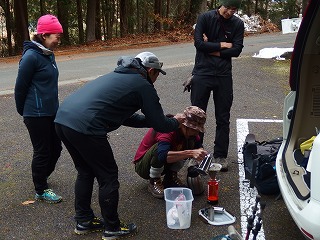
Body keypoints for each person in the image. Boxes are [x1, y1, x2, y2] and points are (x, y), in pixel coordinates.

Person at [54, 52, 185, 239]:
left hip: (63, 120)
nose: (156, 79)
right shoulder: (143, 85)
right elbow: (161, 125)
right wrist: (176, 122)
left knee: (85, 171)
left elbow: (126, 118)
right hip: (87, 127)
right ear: (150, 71)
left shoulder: (116, 76)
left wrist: (156, 121)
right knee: (108, 177)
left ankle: (84, 221)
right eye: (156, 74)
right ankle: (112, 228)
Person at [189, 0, 244, 171]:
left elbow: (237, 50)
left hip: (223, 75)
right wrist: (223, 45)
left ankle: (221, 155)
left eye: (234, 9)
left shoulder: (237, 23)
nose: (230, 12)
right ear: (222, 4)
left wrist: (211, 48)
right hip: (202, 73)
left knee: (223, 117)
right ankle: (196, 153)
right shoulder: (205, 18)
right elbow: (198, 44)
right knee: (196, 116)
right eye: (228, 8)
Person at [14, 14, 64, 204]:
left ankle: (41, 177)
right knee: (43, 151)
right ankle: (41, 189)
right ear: (44, 35)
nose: (58, 40)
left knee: (56, 148)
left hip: (51, 111)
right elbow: (20, 88)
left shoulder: (48, 54)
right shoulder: (30, 57)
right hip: (35, 114)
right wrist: (25, 111)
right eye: (56, 36)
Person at [134, 106, 208, 199]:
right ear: (184, 125)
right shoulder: (168, 128)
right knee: (159, 148)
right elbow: (162, 156)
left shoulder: (192, 135)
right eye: (194, 129)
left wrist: (195, 165)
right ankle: (154, 180)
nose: (197, 133)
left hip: (163, 164)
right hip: (144, 166)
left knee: (189, 144)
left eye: (198, 130)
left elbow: (199, 149)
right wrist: (190, 153)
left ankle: (170, 177)